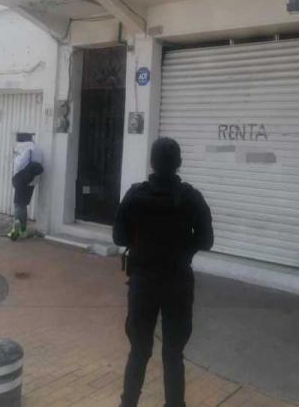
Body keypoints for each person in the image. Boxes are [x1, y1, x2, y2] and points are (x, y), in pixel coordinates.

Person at [113, 137, 214, 407]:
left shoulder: (135, 195)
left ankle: (128, 403)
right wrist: (184, 249)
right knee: (173, 354)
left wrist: (141, 240)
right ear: (179, 163)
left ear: (152, 162)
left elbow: (118, 236)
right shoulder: (191, 197)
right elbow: (207, 240)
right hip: (178, 283)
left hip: (143, 283)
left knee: (138, 351)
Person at [8, 133, 43, 241]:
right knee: (24, 204)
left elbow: (19, 165)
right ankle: (23, 230)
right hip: (32, 181)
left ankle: (16, 226)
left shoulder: (26, 149)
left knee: (18, 204)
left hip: (22, 180)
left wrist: (17, 157)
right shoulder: (38, 149)